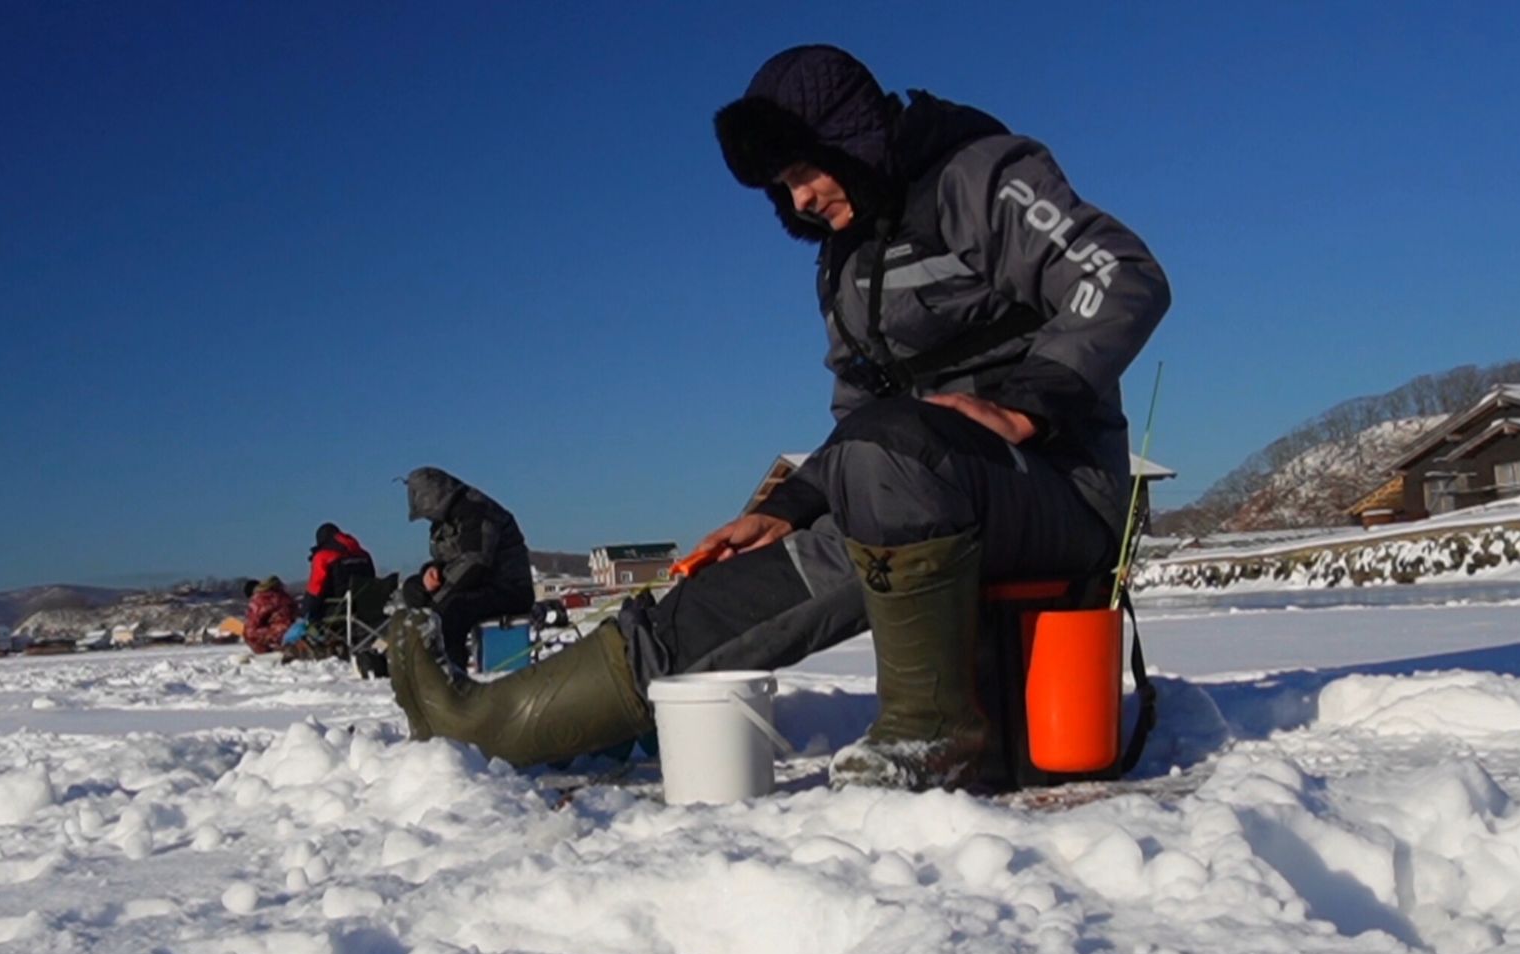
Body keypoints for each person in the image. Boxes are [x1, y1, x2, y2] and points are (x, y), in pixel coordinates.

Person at [388, 45, 1169, 791]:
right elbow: (860, 419)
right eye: (780, 188)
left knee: (891, 457)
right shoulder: (844, 264)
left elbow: (1122, 276)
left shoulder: (978, 176)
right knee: (732, 585)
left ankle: (932, 733)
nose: (797, 200)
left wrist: (1026, 402)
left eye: (801, 173)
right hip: (911, 497)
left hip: (1055, 492)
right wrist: (787, 508)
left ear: (849, 139)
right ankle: (500, 723)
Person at [400, 467, 535, 669]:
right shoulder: (443, 521)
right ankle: (423, 655)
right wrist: (431, 571)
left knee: (452, 609)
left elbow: (476, 563)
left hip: (507, 588)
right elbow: (449, 559)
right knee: (413, 589)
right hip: (473, 584)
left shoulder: (476, 510)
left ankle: (452, 671)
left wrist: (440, 598)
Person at [303, 522, 376, 623]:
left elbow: (315, 590)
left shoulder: (323, 556)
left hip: (339, 611)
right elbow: (372, 580)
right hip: (368, 609)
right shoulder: (365, 555)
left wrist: (305, 613)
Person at [241, 576, 298, 654]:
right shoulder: (283, 595)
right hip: (294, 631)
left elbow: (252, 624)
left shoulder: (260, 599)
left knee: (249, 632)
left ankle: (266, 652)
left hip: (280, 633)